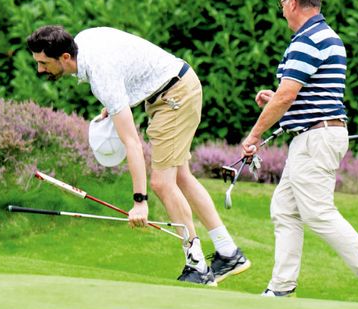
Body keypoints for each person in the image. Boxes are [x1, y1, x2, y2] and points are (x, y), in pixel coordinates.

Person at [28, 25, 247, 285]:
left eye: (43, 63)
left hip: (173, 97)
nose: (40, 69)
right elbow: (127, 62)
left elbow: (132, 142)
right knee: (181, 177)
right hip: (176, 87)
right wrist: (115, 103)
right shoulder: (83, 42)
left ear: (65, 57)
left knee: (162, 183)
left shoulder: (100, 74)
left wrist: (140, 201)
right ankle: (228, 252)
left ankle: (197, 265)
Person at [240, 0, 358, 303]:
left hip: (316, 137)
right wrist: (276, 100)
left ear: (291, 3)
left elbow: (287, 94)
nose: (282, 12)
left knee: (316, 211)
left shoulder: (306, 40)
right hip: (319, 133)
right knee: (284, 208)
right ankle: (281, 287)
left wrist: (254, 134)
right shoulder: (326, 37)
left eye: (282, 5)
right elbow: (304, 94)